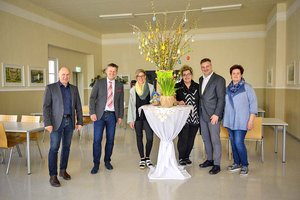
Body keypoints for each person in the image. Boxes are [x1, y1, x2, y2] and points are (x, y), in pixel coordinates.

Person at [43, 66, 83, 187]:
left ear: (69, 76)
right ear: (59, 75)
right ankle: (53, 175)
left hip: (69, 122)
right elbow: (46, 107)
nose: (65, 77)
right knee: (54, 148)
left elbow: (78, 107)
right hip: (55, 124)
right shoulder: (51, 88)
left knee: (66, 147)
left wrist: (80, 121)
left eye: (67, 74)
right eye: (63, 75)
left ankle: (63, 170)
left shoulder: (74, 89)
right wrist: (48, 123)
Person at [223, 64, 258, 176]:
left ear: (241, 74)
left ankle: (245, 164)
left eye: (238, 73)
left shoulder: (247, 87)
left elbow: (253, 105)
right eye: (234, 73)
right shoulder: (227, 89)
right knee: (233, 143)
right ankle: (236, 163)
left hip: (242, 121)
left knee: (238, 142)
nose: (236, 75)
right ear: (231, 75)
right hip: (229, 121)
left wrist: (251, 120)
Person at [89, 63, 124, 174]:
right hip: (99, 115)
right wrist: (92, 112)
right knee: (97, 140)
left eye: (114, 71)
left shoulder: (119, 85)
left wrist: (120, 116)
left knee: (110, 140)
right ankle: (96, 164)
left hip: (112, 116)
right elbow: (92, 98)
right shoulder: (99, 83)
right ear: (106, 71)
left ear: (116, 73)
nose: (112, 73)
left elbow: (120, 101)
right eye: (110, 71)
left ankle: (107, 161)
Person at [198, 58, 226, 175]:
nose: (205, 69)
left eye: (207, 66)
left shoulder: (219, 79)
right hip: (202, 115)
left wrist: (217, 114)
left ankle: (217, 164)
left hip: (213, 115)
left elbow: (221, 98)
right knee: (206, 139)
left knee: (215, 140)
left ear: (211, 66)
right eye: (203, 67)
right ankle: (209, 160)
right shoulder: (200, 79)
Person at [127, 69, 154, 169]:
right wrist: (131, 120)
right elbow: (131, 105)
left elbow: (155, 100)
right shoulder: (133, 90)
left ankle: (148, 157)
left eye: (142, 76)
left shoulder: (151, 87)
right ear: (136, 78)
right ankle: (142, 158)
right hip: (137, 117)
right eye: (139, 76)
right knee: (139, 137)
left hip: (148, 118)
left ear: (145, 77)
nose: (141, 78)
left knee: (150, 138)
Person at [175, 65, 200, 166]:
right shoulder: (178, 86)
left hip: (195, 117)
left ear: (191, 75)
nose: (186, 76)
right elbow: (172, 99)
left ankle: (187, 157)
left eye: (188, 74)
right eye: (184, 75)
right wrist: (177, 102)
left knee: (191, 139)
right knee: (183, 138)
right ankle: (181, 157)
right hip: (183, 118)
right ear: (182, 76)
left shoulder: (197, 86)